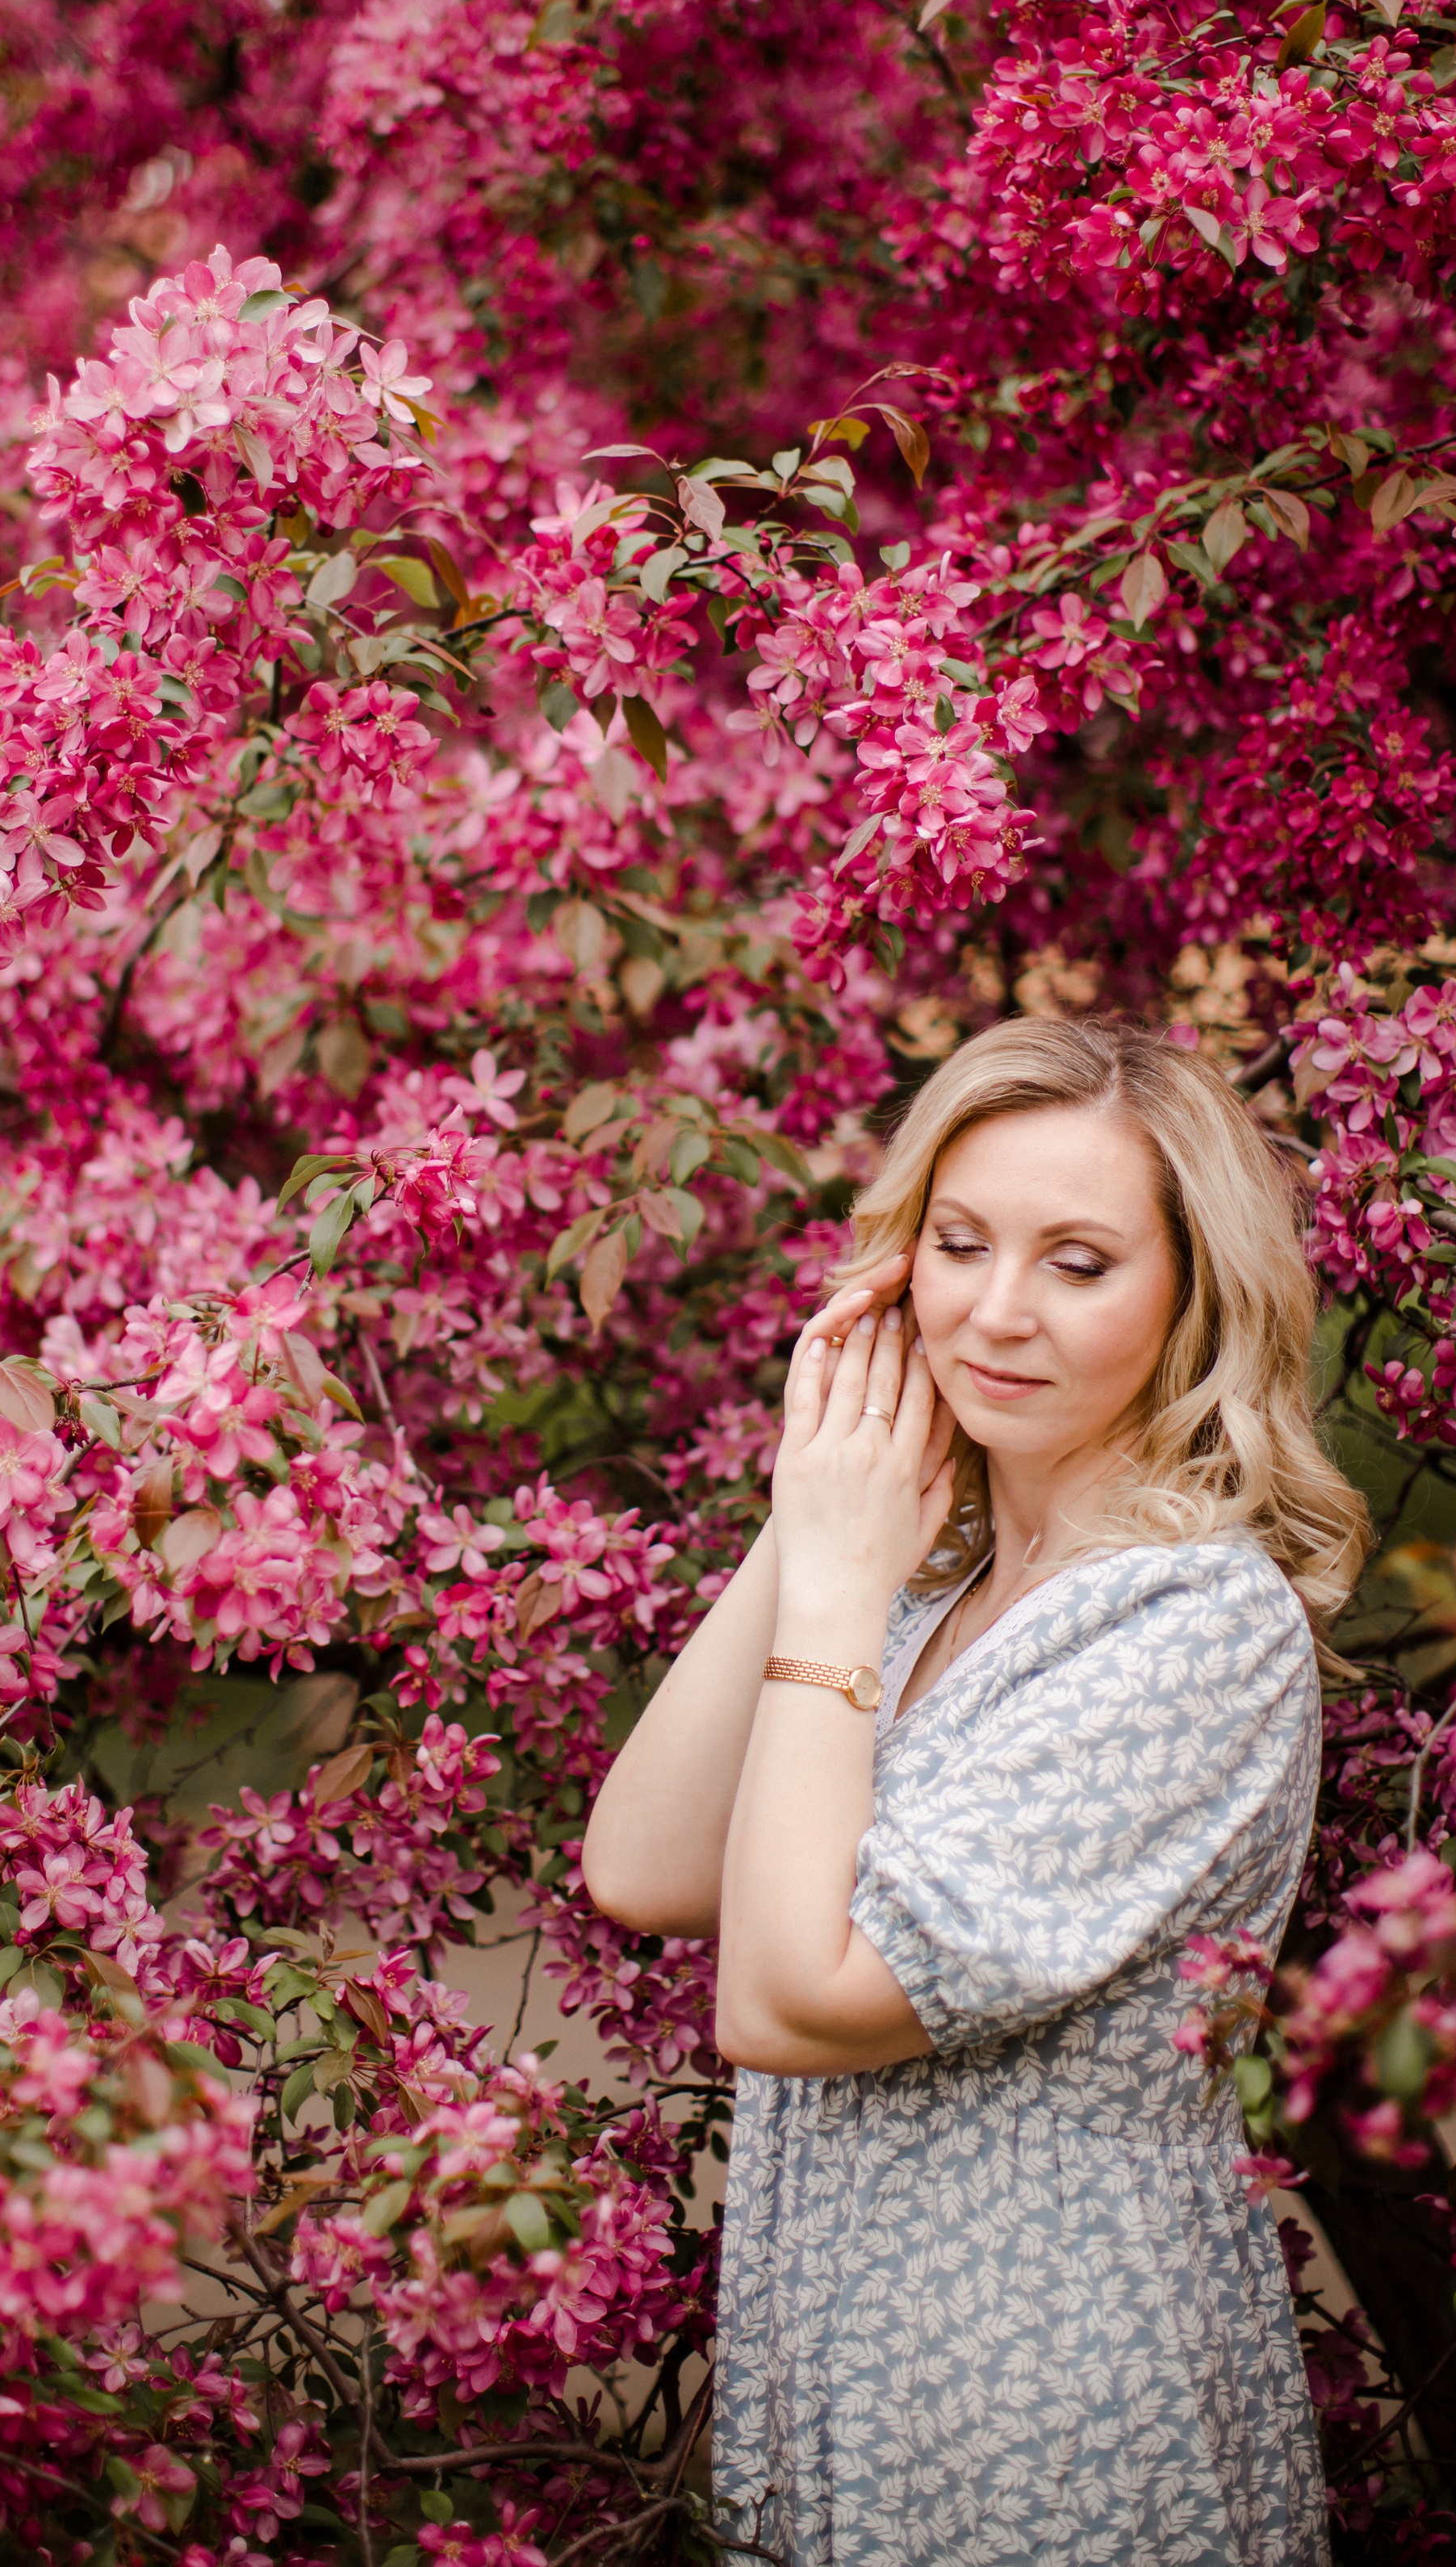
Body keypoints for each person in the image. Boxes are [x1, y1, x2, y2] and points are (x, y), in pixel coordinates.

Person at [581, 1016, 1368, 2567]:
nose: (996, 1314)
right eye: (958, 1245)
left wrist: (835, 1590)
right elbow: (645, 1866)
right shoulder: (924, 1582)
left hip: (1045, 2419)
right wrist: (822, 1503)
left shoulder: (1191, 1622)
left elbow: (791, 2004)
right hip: (846, 2381)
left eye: (1078, 1264)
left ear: (1188, 1297)